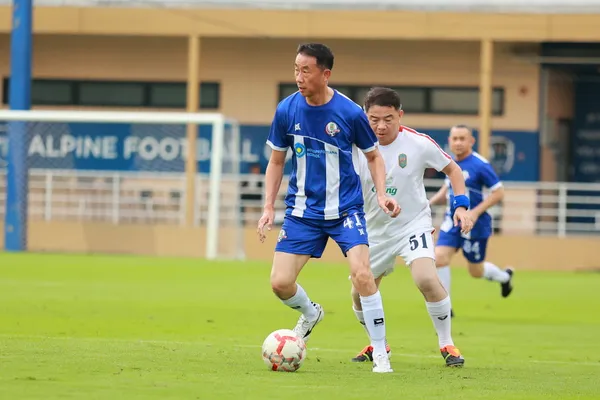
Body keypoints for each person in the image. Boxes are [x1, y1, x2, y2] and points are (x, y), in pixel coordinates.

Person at [257, 44, 401, 373]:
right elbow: (276, 161)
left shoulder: (349, 113)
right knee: (280, 283)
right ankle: (311, 313)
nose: (298, 77)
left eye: (305, 70)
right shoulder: (286, 109)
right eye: (296, 69)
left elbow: (374, 157)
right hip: (302, 212)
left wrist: (381, 195)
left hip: (346, 210)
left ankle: (380, 351)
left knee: (362, 275)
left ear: (325, 74)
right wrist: (267, 207)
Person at [350, 87, 473, 367]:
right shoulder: (354, 145)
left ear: (400, 115)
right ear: (365, 117)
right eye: (374, 119)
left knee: (426, 278)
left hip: (412, 224)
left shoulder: (419, 143)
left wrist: (461, 206)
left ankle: (447, 343)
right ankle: (378, 343)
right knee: (358, 293)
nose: (381, 126)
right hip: (372, 229)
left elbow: (453, 170)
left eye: (388, 119)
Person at [429, 125, 514, 317]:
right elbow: (447, 189)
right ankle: (446, 307)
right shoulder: (449, 162)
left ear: (471, 141)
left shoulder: (480, 165)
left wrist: (474, 213)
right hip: (452, 221)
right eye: (455, 139)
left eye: (462, 138)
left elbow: (498, 192)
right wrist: (429, 203)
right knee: (439, 258)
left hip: (475, 225)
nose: (458, 142)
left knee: (476, 271)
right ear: (449, 141)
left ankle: (504, 277)